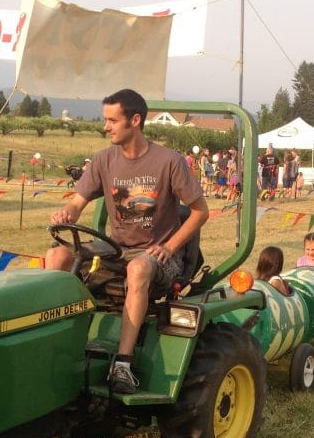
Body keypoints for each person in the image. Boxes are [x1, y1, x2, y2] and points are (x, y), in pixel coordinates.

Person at [46, 88, 208, 394]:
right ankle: (52, 344)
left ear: (135, 120)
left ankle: (123, 363)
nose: (105, 126)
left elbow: (201, 212)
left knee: (138, 269)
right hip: (116, 250)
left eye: (112, 120)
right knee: (56, 257)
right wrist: (66, 212)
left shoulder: (169, 162)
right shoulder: (103, 160)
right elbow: (77, 203)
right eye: (105, 119)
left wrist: (170, 246)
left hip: (158, 257)